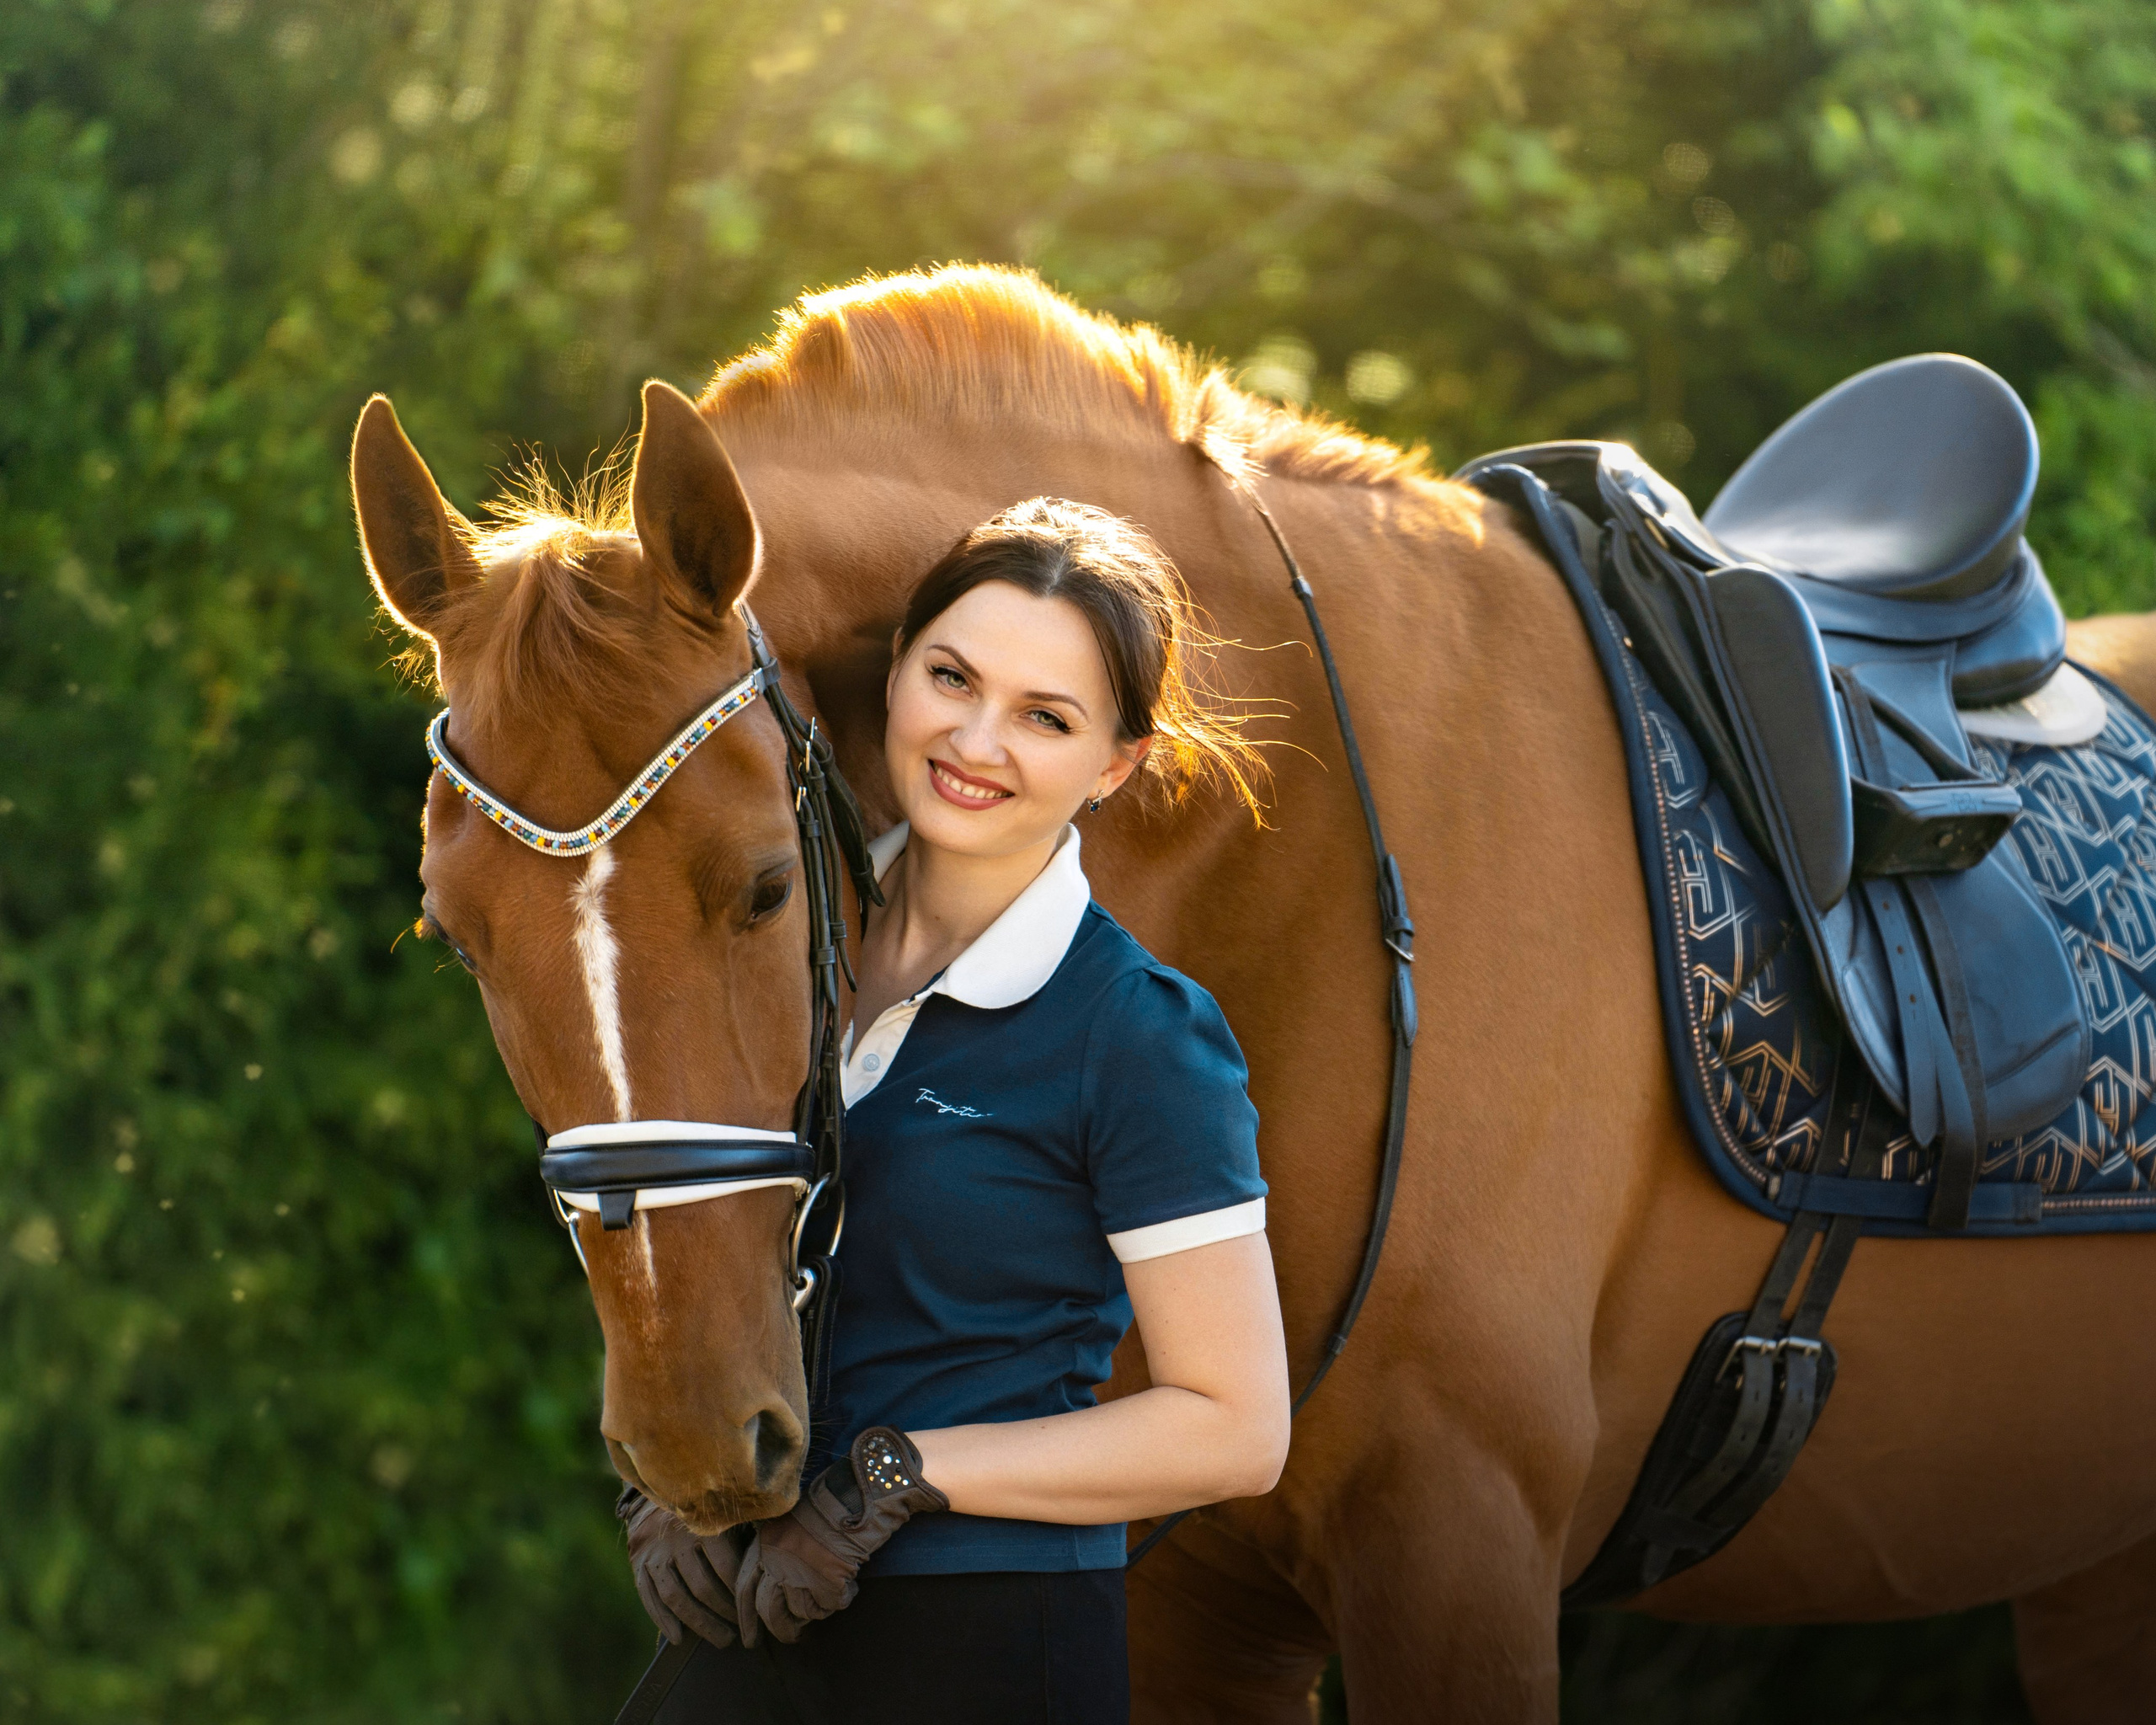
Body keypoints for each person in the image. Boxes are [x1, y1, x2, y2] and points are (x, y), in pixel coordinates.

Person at [623, 498, 1290, 1723]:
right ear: (897, 675)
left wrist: (900, 1474)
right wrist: (666, 1477)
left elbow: (1236, 1429)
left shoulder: (1136, 1033)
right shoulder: (775, 956)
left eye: (1046, 717)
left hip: (987, 1641)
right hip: (748, 1606)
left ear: (1117, 764)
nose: (976, 739)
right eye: (952, 677)